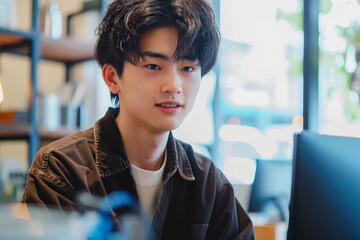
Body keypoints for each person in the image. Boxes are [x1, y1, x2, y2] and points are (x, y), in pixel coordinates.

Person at [21, 0, 254, 239]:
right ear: (113, 77)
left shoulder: (210, 184)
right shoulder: (61, 169)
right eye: (153, 66)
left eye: (187, 68)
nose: (174, 86)